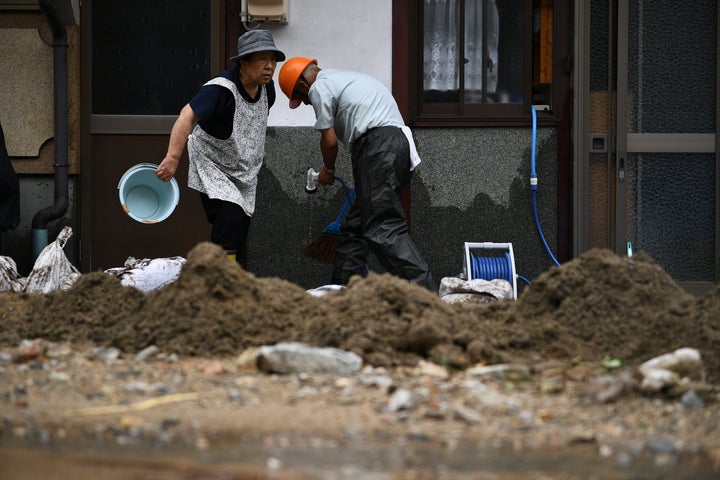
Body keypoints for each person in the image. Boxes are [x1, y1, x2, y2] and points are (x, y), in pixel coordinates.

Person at [278, 57, 436, 292]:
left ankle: (425, 295)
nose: (307, 104)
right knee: (356, 227)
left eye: (302, 101)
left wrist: (328, 171)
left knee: (382, 227)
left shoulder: (319, 87)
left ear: (302, 85)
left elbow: (329, 141)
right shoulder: (344, 78)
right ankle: (341, 293)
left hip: (377, 147)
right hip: (397, 146)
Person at [156, 30, 285, 269]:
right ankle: (220, 279)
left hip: (244, 170)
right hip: (213, 163)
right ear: (244, 62)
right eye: (262, 59)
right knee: (230, 217)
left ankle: (233, 278)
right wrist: (173, 158)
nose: (269, 66)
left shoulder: (268, 89)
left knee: (240, 227)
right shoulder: (220, 89)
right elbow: (186, 116)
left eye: (273, 60)